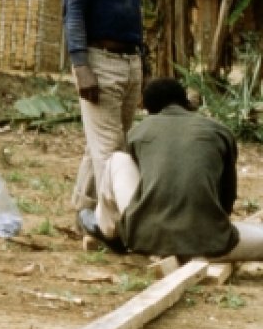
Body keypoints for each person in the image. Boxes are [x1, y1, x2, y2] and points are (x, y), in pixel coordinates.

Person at [80, 77, 263, 261]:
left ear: (149, 109)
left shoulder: (140, 131)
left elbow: (145, 180)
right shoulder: (219, 130)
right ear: (185, 102)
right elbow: (227, 198)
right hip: (210, 244)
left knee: (118, 159)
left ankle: (108, 230)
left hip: (146, 240)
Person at [62, 0, 148, 229]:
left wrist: (144, 61)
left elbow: (136, 11)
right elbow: (73, 12)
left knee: (108, 143)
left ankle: (84, 210)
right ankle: (112, 227)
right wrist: (81, 66)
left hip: (130, 62)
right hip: (99, 60)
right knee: (112, 152)